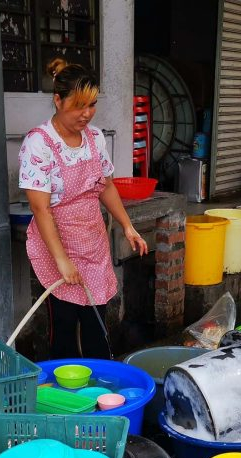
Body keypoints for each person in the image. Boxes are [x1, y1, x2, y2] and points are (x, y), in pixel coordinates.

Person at [20, 58, 148, 359]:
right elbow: (41, 210)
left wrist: (127, 225)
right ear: (57, 100)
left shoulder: (94, 138)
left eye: (91, 105)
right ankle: (63, 400)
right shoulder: (39, 144)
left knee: (96, 324)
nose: (86, 114)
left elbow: (105, 186)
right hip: (57, 245)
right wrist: (62, 261)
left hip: (92, 242)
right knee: (63, 326)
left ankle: (102, 392)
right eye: (78, 105)